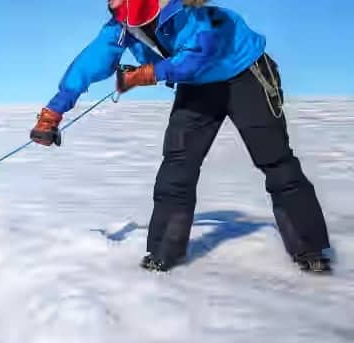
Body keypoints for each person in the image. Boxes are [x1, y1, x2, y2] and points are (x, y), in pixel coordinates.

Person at [29, 0, 332, 273]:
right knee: (178, 164)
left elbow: (197, 56)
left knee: (274, 159)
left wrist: (144, 75)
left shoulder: (187, 9)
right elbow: (89, 64)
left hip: (244, 73)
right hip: (198, 86)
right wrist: (54, 111)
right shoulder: (122, 25)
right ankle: (164, 251)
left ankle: (311, 248)